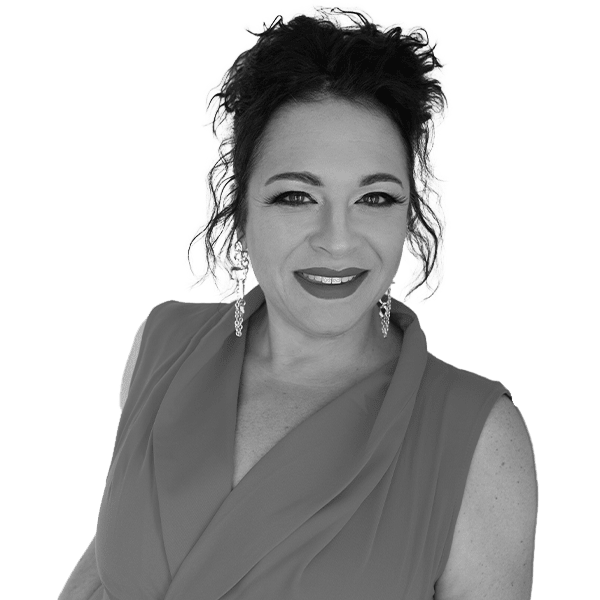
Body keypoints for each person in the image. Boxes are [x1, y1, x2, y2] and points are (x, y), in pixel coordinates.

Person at [58, 4, 538, 599]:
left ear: (410, 214)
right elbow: (108, 561)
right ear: (241, 207)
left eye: (375, 198)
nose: (338, 241)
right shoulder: (163, 344)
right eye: (295, 196)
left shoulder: (478, 437)